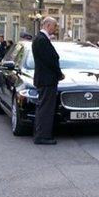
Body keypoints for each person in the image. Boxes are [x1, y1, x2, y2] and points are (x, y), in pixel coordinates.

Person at [31, 17, 64, 145]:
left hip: (45, 78)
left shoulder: (40, 39)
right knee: (46, 109)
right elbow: (50, 60)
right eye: (54, 26)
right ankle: (42, 136)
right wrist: (59, 73)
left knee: (43, 108)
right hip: (47, 79)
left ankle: (41, 134)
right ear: (48, 25)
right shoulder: (41, 40)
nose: (55, 29)